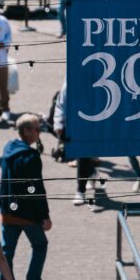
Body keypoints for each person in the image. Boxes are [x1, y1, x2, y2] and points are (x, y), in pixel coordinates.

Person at [0, 114, 51, 280]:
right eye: (37, 129)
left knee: (6, 255)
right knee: (40, 245)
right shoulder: (31, 157)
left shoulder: (8, 149)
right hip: (27, 214)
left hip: (8, 211)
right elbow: (35, 189)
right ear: (26, 130)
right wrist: (44, 216)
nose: (39, 133)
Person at [53, 79, 100, 208]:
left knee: (83, 157)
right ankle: (92, 172)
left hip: (92, 123)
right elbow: (61, 103)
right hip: (74, 125)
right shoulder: (71, 79)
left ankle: (80, 191)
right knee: (82, 157)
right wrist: (59, 123)